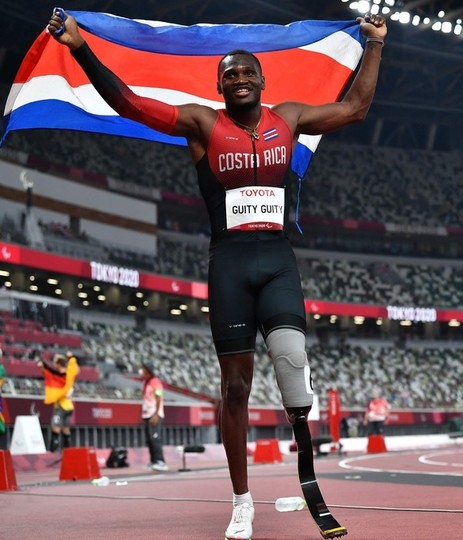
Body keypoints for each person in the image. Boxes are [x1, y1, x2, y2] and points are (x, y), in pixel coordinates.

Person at [48, 10, 386, 540]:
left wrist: (376, 44)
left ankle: (307, 478)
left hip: (277, 259)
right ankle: (241, 502)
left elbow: (356, 108)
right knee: (235, 389)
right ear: (219, 86)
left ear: (263, 80)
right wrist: (80, 47)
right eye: (230, 74)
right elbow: (129, 103)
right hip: (229, 264)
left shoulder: (289, 118)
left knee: (292, 363)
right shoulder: (202, 124)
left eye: (247, 72)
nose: (240, 78)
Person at [38, 352, 80, 452]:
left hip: (61, 406)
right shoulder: (70, 374)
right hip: (69, 406)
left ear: (59, 364)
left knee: (55, 430)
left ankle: (52, 454)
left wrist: (44, 366)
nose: (54, 365)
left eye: (55, 363)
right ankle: (68, 454)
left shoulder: (61, 376)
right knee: (66, 431)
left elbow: (52, 374)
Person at [141, 361, 168, 472]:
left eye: (143, 369)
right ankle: (153, 461)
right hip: (147, 414)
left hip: (154, 414)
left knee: (155, 438)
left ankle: (160, 461)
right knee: (149, 439)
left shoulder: (155, 382)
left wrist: (156, 414)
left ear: (148, 370)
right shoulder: (146, 382)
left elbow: (159, 397)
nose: (142, 371)